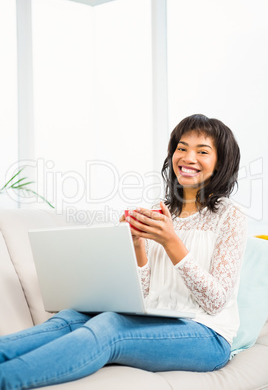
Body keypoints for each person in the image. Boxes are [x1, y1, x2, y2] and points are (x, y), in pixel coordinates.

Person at [0, 114, 247, 389]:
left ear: (221, 163)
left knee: (110, 327)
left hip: (207, 336)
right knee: (72, 316)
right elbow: (144, 296)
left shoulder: (230, 217)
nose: (188, 157)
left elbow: (215, 301)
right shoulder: (162, 209)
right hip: (158, 319)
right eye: (181, 147)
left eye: (202, 151)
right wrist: (135, 244)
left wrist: (171, 241)